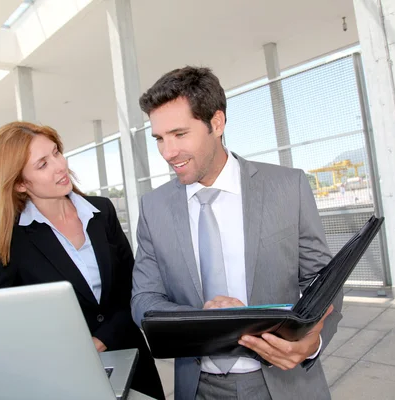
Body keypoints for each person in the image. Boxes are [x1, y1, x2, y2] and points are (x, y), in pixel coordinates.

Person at [131, 67, 343, 400]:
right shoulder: (153, 208)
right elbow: (143, 300)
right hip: (198, 387)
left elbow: (323, 281)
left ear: (216, 123)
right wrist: (202, 320)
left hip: (284, 383)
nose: (167, 152)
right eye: (159, 138)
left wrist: (311, 342)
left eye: (179, 134)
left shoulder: (288, 187)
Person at [0, 121, 165, 400]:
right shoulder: (7, 237)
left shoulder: (102, 211)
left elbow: (133, 287)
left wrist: (101, 339)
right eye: (42, 164)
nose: (60, 166)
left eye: (56, 153)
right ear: (20, 184)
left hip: (133, 360)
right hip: (65, 374)